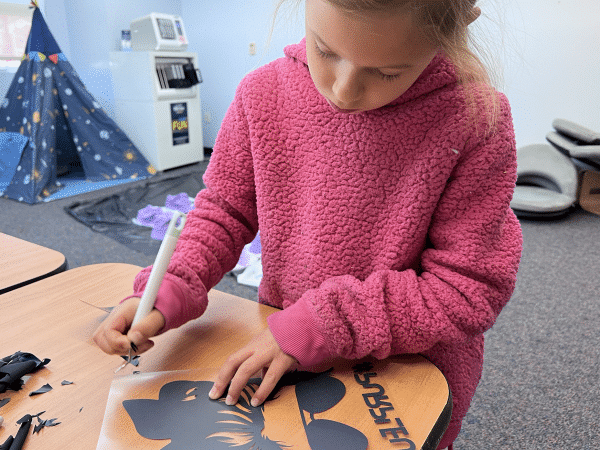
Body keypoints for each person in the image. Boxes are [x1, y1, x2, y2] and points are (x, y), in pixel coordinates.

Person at [94, 0, 523, 448]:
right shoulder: (262, 93)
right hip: (285, 351)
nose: (344, 90)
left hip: (407, 374)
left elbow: (467, 289)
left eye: (387, 73)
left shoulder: (476, 119)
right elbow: (224, 210)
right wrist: (172, 283)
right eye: (325, 51)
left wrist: (323, 323)